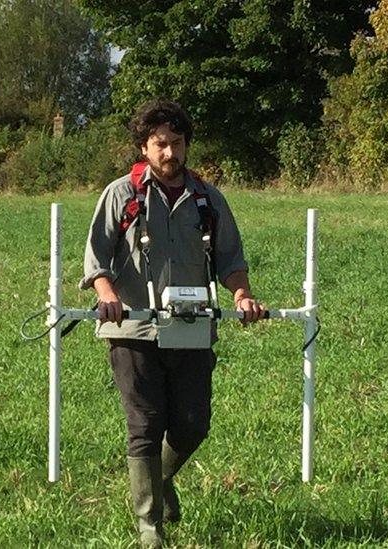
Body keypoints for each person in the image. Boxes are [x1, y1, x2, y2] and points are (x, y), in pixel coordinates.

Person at [80, 99, 265, 548]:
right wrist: (107, 298)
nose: (170, 153)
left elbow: (230, 260)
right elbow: (96, 260)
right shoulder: (121, 195)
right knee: (144, 424)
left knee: (192, 424)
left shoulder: (208, 200)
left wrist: (241, 294)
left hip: (191, 327)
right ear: (144, 147)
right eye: (160, 144)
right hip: (133, 330)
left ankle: (158, 480)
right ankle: (150, 526)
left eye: (176, 144)